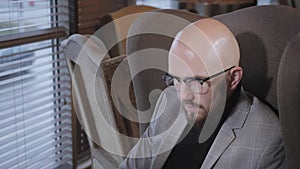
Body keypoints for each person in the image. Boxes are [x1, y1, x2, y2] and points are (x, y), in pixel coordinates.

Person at [119, 18, 285, 169]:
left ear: (233, 78)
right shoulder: (169, 99)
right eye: (176, 79)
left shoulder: (268, 142)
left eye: (197, 82)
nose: (184, 96)